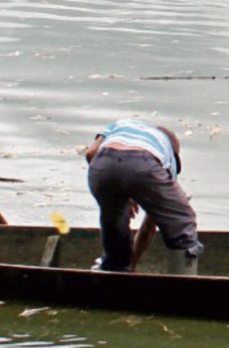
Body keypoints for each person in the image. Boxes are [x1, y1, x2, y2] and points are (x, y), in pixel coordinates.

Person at [85, 117, 203, 274]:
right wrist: (134, 265)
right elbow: (148, 228)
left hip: (102, 164)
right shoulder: (167, 154)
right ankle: (183, 287)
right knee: (182, 222)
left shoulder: (123, 124)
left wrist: (122, 191)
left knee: (115, 229)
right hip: (143, 164)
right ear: (174, 152)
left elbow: (91, 153)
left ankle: (114, 278)